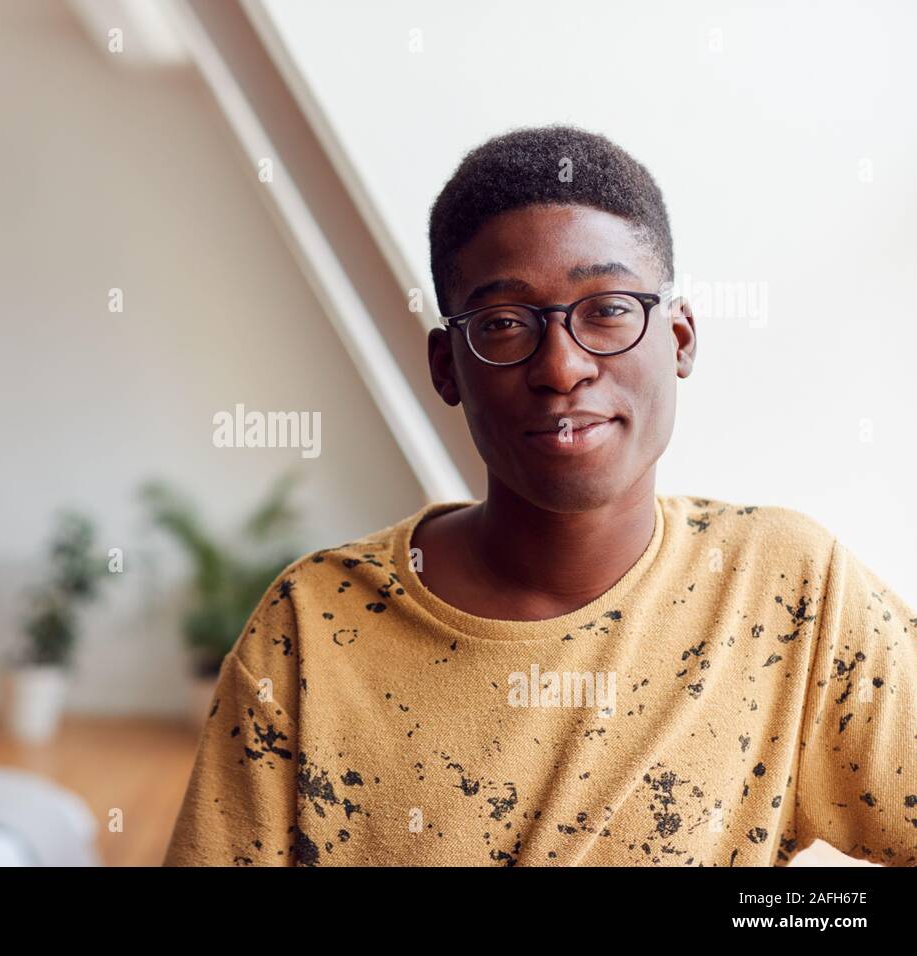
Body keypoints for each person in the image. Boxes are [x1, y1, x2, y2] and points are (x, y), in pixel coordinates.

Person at [162, 126, 916, 867]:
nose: (562, 366)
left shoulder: (784, 588)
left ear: (680, 338)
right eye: (503, 324)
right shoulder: (315, 625)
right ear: (447, 366)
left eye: (609, 309)